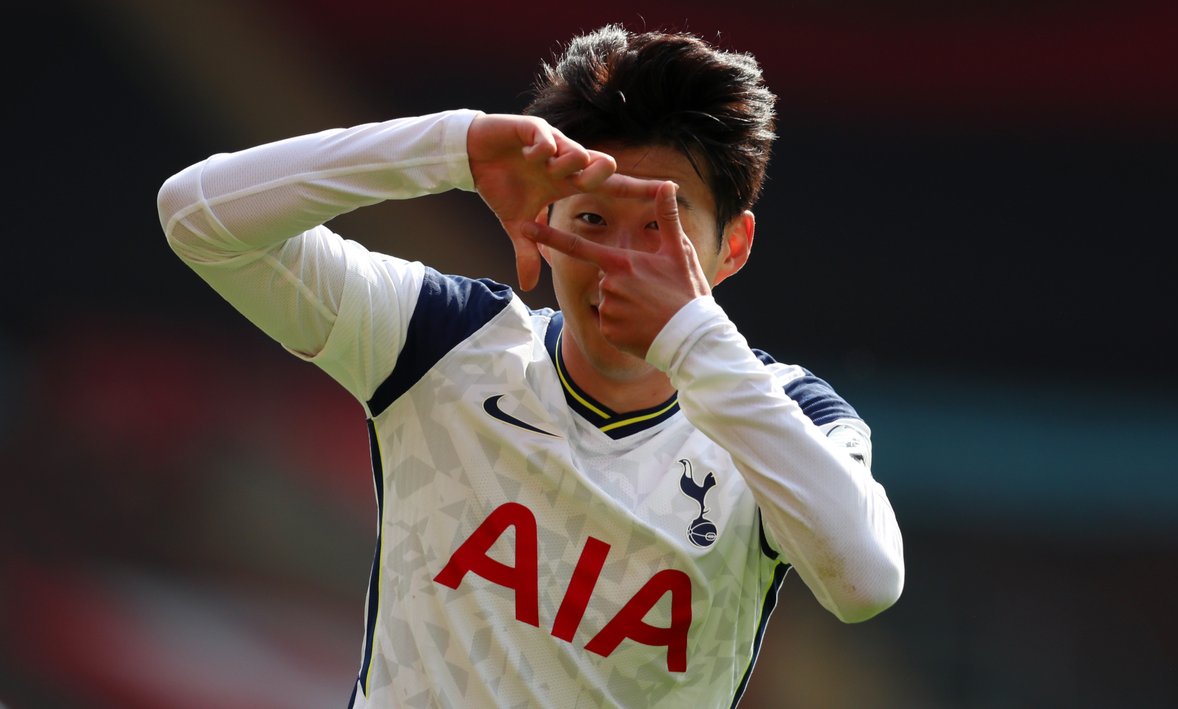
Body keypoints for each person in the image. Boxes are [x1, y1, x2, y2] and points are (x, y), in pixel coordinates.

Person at [157, 23, 903, 709]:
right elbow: (197, 217)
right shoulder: (441, 342)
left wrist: (691, 336)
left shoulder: (785, 414)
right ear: (543, 223)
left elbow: (866, 580)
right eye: (591, 220)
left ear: (732, 247)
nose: (619, 262)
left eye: (659, 228)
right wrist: (453, 149)